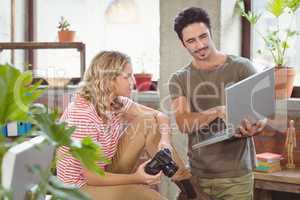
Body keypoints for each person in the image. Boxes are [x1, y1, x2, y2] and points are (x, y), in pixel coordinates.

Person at [56, 51, 193, 200]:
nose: (132, 81)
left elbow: (160, 116)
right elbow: (92, 177)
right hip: (79, 189)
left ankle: (189, 190)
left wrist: (164, 141)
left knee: (147, 121)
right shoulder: (82, 113)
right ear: (108, 80)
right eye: (127, 76)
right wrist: (137, 178)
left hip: (104, 170)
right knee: (148, 196)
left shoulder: (116, 102)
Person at [169, 7, 267, 200]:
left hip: (236, 177)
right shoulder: (179, 79)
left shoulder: (242, 67)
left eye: (203, 36)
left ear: (211, 33)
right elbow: (184, 123)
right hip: (197, 175)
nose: (199, 45)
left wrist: (254, 128)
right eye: (191, 41)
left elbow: (261, 115)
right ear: (183, 44)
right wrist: (218, 111)